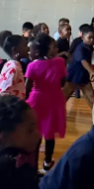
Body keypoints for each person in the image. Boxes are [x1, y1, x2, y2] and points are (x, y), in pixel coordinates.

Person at [25, 34, 67, 174]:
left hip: (37, 100)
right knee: (49, 133)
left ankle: (33, 164)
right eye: (54, 46)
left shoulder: (32, 66)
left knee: (36, 132)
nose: (57, 48)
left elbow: (27, 87)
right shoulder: (60, 62)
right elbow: (62, 82)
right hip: (55, 99)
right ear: (48, 49)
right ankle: (47, 162)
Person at [62, 25, 94, 107]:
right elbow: (83, 61)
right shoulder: (80, 48)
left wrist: (91, 71)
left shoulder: (90, 48)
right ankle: (53, 114)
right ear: (82, 37)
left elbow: (88, 61)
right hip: (74, 75)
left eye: (93, 38)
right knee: (64, 97)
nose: (92, 40)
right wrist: (92, 72)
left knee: (92, 97)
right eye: (89, 38)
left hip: (83, 75)